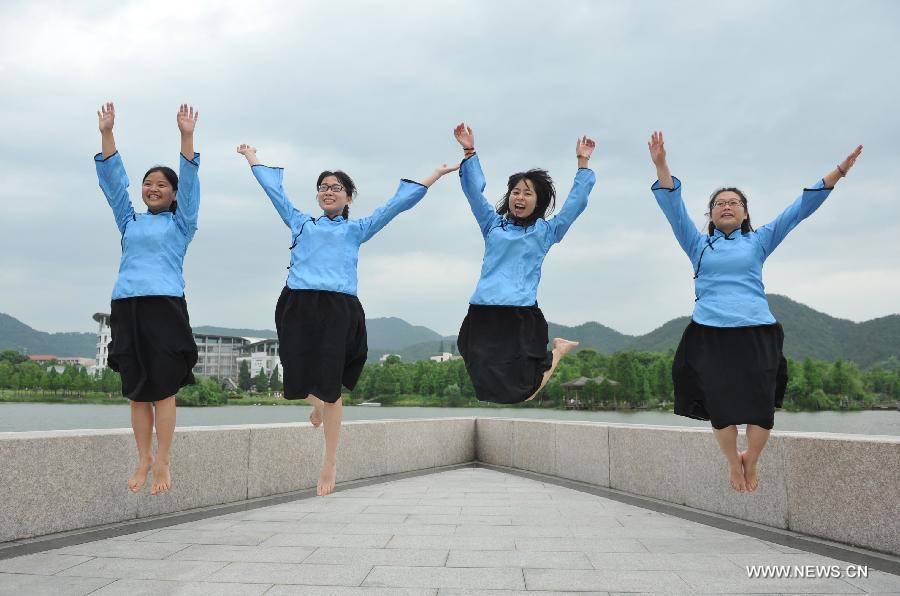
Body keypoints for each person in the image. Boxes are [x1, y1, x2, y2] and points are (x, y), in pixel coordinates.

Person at [648, 130, 862, 492]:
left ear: (745, 213)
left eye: (734, 202)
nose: (727, 206)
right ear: (711, 215)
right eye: (720, 203)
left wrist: (838, 172)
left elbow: (799, 209)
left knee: (762, 409)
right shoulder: (697, 244)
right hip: (710, 333)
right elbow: (672, 206)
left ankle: (753, 460)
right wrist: (661, 163)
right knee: (720, 408)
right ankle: (734, 463)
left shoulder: (760, 240)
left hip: (757, 331)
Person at [237, 143, 457, 495]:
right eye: (323, 186)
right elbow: (273, 191)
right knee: (295, 373)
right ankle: (317, 405)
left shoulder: (357, 229)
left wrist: (434, 175)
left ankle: (330, 459)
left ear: (348, 198)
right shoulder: (300, 223)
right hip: (297, 304)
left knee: (331, 386)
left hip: (338, 309)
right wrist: (252, 158)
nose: (328, 191)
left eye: (336, 187)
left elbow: (396, 205)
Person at [95, 102, 201, 496]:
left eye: (161, 184)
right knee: (137, 389)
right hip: (127, 306)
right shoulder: (129, 220)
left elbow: (191, 185)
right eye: (148, 183)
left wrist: (186, 137)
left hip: (165, 307)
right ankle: (143, 456)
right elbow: (112, 185)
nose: (152, 188)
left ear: (172, 193)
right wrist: (107, 134)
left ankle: (164, 459)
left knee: (163, 389)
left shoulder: (181, 223)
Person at [452, 123, 596, 404]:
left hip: (519, 314)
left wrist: (583, 162)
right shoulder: (492, 224)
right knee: (482, 380)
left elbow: (575, 204)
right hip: (482, 312)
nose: (520, 197)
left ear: (538, 201)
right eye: (516, 192)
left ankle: (558, 351)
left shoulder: (545, 231)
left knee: (524, 392)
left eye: (528, 193)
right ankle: (556, 352)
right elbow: (472, 192)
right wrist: (469, 151)